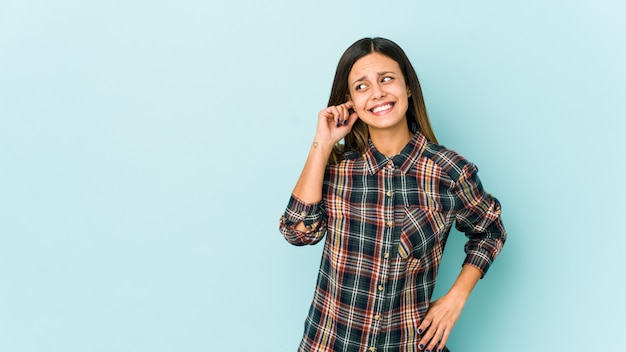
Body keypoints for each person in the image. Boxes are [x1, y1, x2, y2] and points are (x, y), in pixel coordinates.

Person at [279, 37, 506, 352]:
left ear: (408, 88)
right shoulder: (337, 171)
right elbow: (297, 232)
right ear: (351, 102)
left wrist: (456, 298)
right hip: (330, 343)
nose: (377, 93)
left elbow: (490, 230)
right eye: (362, 87)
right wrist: (322, 143)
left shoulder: (449, 171)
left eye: (386, 79)